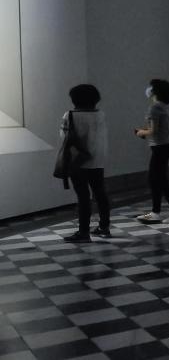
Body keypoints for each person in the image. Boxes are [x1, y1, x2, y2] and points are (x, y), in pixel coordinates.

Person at [61, 84, 110, 242]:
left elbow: (64, 139)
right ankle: (104, 227)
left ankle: (83, 232)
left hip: (79, 162)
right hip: (98, 159)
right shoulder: (101, 114)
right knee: (100, 193)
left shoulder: (69, 116)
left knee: (83, 197)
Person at [134, 79, 169, 223]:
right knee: (157, 180)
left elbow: (153, 130)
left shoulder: (154, 108)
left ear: (155, 91)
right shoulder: (162, 107)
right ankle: (157, 212)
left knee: (158, 180)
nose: (148, 89)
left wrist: (140, 132)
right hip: (164, 146)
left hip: (160, 148)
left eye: (151, 87)